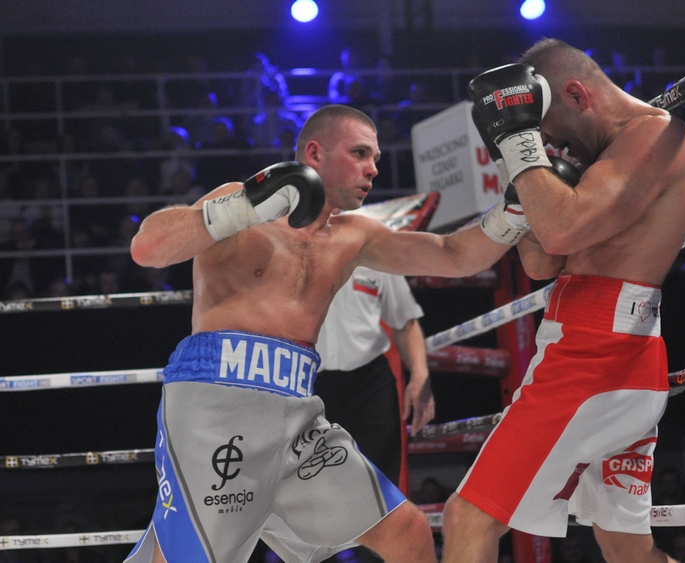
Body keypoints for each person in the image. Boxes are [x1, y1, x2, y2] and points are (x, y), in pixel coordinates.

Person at [126, 104, 524, 563]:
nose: (373, 169)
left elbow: (453, 254)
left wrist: (515, 211)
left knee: (407, 530)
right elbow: (147, 248)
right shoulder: (241, 201)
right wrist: (243, 207)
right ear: (315, 153)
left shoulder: (355, 236)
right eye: (360, 153)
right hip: (217, 402)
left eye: (375, 158)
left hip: (298, 414)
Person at [443, 38, 685, 563]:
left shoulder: (654, 135)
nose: (548, 145)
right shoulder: (601, 158)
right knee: (628, 551)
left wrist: (519, 143)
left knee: (467, 517)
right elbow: (542, 262)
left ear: (578, 95)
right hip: (607, 354)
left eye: (547, 131)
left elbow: (560, 231)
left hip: (594, 360)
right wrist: (520, 171)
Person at [315, 266, 435, 563]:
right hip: (307, 385)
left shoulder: (376, 248)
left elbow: (405, 320)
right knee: (312, 500)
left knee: (380, 499)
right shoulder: (293, 246)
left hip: (370, 385)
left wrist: (420, 374)